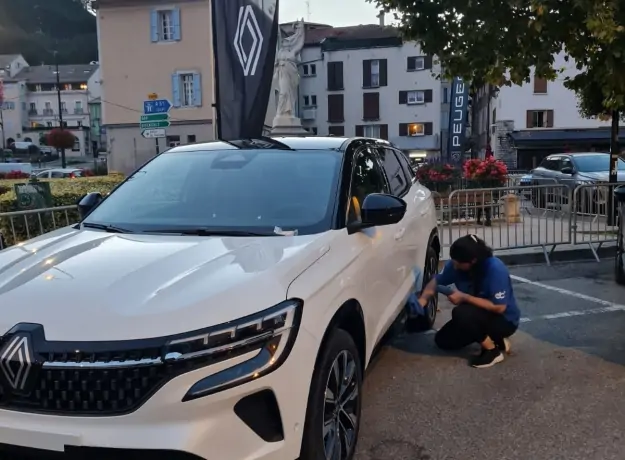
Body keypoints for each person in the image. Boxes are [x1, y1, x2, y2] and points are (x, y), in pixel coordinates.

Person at [419, 234, 521, 368]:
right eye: (453, 260)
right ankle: (496, 340)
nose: (454, 265)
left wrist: (463, 297)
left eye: (458, 263)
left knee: (461, 313)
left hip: (503, 319)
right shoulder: (455, 265)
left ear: (473, 261)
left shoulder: (495, 269)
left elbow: (499, 307)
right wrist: (421, 300)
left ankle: (492, 352)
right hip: (476, 315)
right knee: (443, 341)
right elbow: (435, 281)